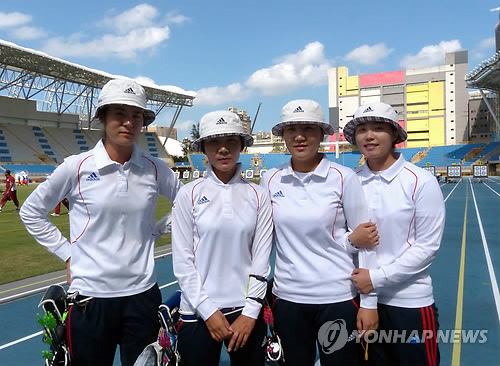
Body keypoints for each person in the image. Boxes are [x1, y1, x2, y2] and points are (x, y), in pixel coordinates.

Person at [20, 79, 182, 366]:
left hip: (142, 294)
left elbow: (188, 206)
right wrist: (67, 253)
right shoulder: (76, 167)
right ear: (102, 118)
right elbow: (31, 211)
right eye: (119, 113)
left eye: (136, 116)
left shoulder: (155, 168)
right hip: (90, 299)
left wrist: (158, 229)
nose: (129, 122)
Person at [260, 99, 379, 366]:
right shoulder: (270, 178)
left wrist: (369, 303)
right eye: (291, 129)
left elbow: (367, 242)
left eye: (308, 129)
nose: (299, 136)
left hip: (338, 298)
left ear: (322, 134)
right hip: (288, 299)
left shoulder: (344, 177)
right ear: (283, 136)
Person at [344, 102, 445, 366]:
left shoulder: (419, 180)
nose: (369, 135)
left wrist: (376, 279)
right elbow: (340, 236)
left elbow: (427, 247)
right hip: (361, 302)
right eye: (362, 129)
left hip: (408, 302)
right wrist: (350, 242)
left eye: (378, 128)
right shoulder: (349, 181)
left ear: (394, 135)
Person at [172, 110, 273, 366]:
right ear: (204, 148)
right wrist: (208, 311)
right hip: (197, 312)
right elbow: (183, 263)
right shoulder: (188, 194)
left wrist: (251, 312)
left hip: (246, 312)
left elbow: (261, 260)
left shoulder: (258, 194)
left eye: (231, 141)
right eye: (214, 142)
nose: (223, 149)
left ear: (242, 145)